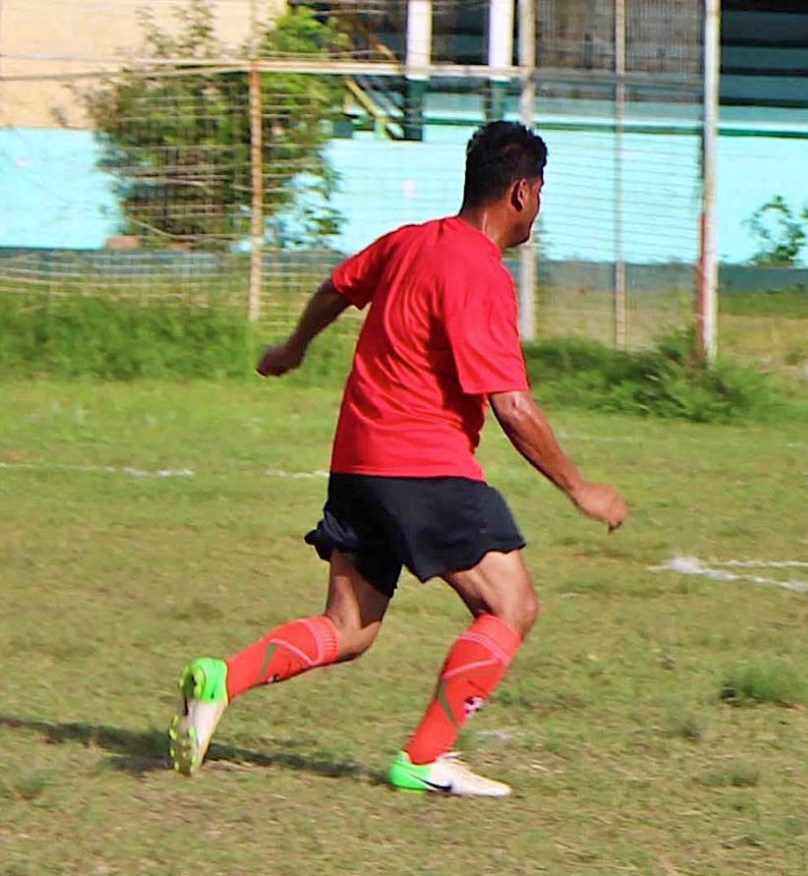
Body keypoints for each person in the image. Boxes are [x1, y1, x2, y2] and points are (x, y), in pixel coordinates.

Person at [168, 120, 628, 798]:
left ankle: (221, 679)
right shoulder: (481, 274)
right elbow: (511, 405)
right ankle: (423, 759)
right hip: (424, 466)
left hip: (356, 462)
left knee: (347, 628)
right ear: (524, 193)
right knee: (512, 606)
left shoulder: (409, 242)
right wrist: (579, 488)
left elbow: (336, 287)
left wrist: (294, 347)